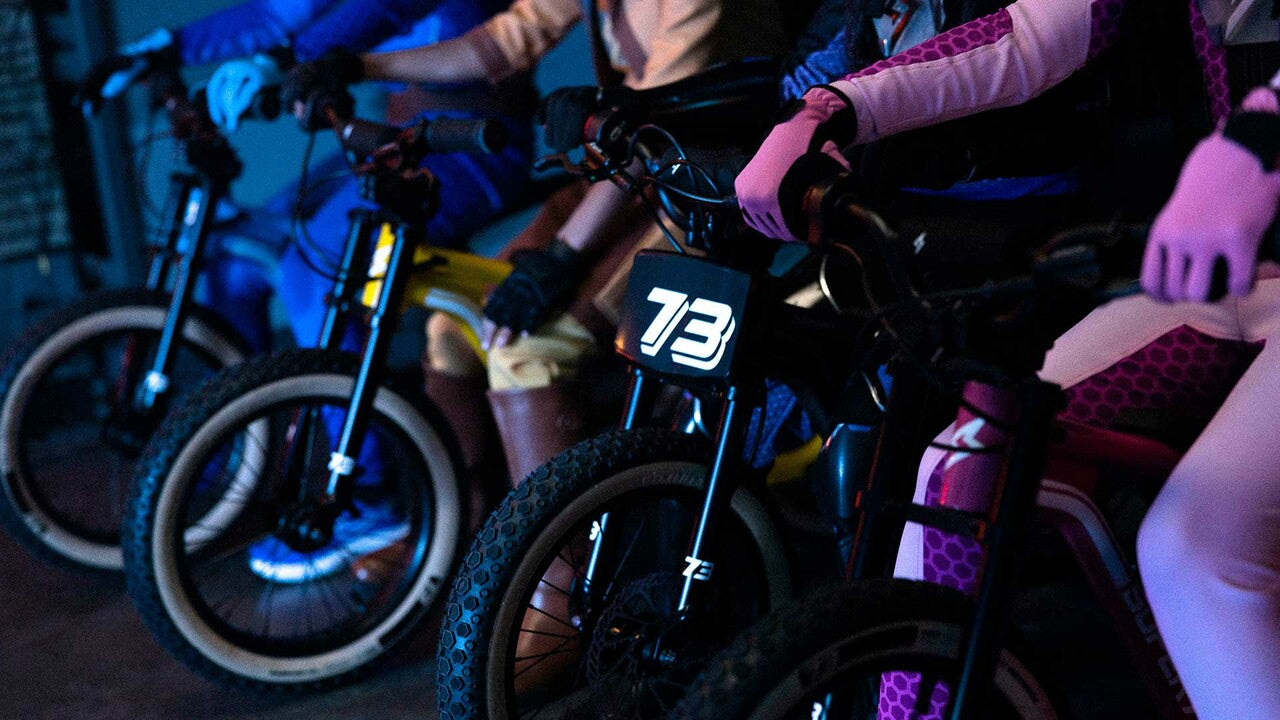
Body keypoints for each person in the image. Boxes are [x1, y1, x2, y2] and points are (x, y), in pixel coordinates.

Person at [737, 1, 1280, 717]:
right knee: (965, 461)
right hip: (1241, 270)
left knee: (1196, 550)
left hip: (1237, 245)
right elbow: (1035, 33)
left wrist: (1258, 140)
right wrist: (835, 106)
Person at [79, 0, 534, 583]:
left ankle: (370, 499)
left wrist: (285, 61)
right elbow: (282, 11)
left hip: (470, 148)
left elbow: (383, 9)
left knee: (310, 273)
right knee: (234, 258)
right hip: (393, 139)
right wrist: (166, 46)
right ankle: (238, 453)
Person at [284, 0, 790, 495]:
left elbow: (655, 129)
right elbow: (505, 41)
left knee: (530, 350)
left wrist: (562, 257)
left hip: (708, 186)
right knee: (455, 329)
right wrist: (361, 64)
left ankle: (554, 574)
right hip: (623, 173)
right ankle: (471, 548)